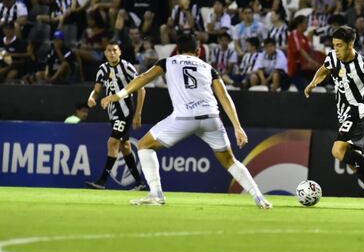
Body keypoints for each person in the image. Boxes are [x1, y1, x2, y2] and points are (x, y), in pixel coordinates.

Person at [100, 33, 272, 207]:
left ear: (177, 50)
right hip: (211, 117)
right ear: (198, 51)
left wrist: (119, 94)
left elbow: (143, 79)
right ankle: (259, 197)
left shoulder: (168, 62)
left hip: (184, 117)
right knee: (230, 161)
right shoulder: (208, 67)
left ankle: (156, 194)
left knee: (144, 145)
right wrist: (237, 127)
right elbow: (225, 97)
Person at [303, 26, 364, 209]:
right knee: (354, 163)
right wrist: (313, 83)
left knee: (337, 150)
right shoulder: (332, 57)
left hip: (358, 111)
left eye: (339, 45)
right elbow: (324, 69)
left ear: (350, 44)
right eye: (334, 45)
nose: (336, 49)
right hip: (344, 113)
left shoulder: (363, 65)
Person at [86, 41, 146, 190]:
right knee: (125, 147)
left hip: (125, 110)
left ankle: (102, 181)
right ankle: (139, 184)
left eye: (114, 50)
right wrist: (92, 97)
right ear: (105, 53)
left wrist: (138, 113)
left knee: (112, 143)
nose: (112, 53)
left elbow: (142, 89)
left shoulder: (127, 67)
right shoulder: (102, 69)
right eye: (109, 50)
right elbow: (96, 89)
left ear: (119, 52)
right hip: (113, 111)